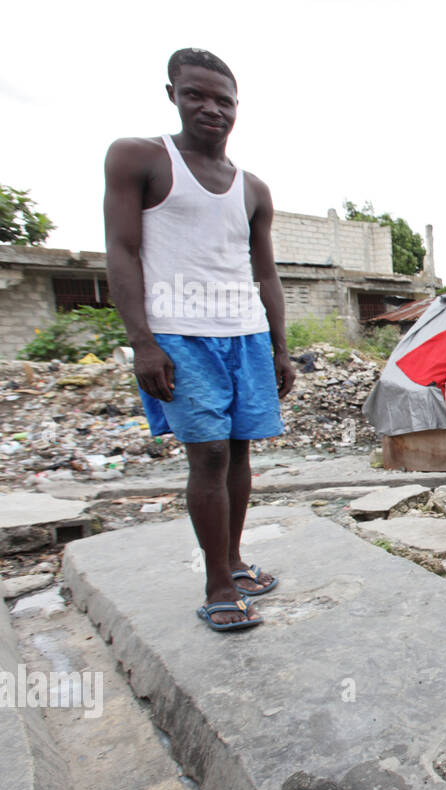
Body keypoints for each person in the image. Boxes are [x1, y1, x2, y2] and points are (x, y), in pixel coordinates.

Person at [104, 48, 294, 632]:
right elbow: (122, 251)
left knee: (237, 449)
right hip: (179, 335)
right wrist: (143, 342)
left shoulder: (252, 188)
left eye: (223, 100)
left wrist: (280, 348)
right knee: (207, 453)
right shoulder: (140, 158)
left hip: (245, 333)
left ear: (238, 108)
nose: (211, 109)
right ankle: (216, 585)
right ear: (173, 95)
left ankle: (233, 562)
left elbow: (266, 275)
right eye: (196, 96)